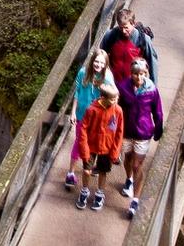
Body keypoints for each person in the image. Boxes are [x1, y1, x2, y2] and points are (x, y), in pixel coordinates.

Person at [118, 57, 164, 219]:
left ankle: (135, 200)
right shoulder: (123, 87)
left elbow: (157, 111)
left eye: (143, 73)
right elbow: (116, 107)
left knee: (137, 165)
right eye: (136, 74)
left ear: (147, 73)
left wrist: (159, 129)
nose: (139, 77)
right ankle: (128, 179)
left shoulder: (152, 90)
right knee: (127, 158)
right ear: (131, 74)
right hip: (127, 131)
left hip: (143, 133)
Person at [63, 50, 112, 189]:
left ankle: (89, 167)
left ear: (106, 64)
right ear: (92, 61)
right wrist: (72, 112)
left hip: (98, 116)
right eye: (96, 61)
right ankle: (71, 173)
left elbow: (113, 97)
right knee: (79, 141)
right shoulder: (83, 72)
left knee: (94, 143)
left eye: (102, 62)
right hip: (82, 114)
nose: (98, 64)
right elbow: (77, 92)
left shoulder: (107, 78)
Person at [75, 83, 124, 211]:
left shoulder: (118, 110)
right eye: (113, 99)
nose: (115, 101)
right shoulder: (91, 110)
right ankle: (84, 191)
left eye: (116, 98)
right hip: (91, 146)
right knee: (87, 170)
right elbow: (83, 130)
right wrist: (84, 150)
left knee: (103, 171)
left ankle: (99, 193)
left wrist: (115, 151)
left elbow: (119, 132)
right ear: (103, 97)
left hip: (107, 147)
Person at [100, 9, 158, 84]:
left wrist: (153, 86)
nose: (123, 31)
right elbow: (101, 56)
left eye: (126, 28)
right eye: (121, 28)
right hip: (113, 84)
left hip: (134, 84)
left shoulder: (143, 39)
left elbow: (152, 62)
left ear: (133, 24)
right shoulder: (110, 35)